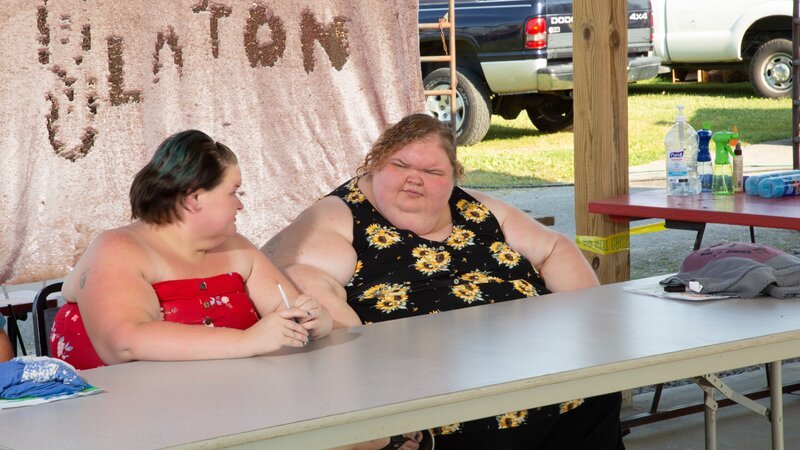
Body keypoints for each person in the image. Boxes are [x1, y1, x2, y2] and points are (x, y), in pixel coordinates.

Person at [265, 114, 624, 449]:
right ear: (374, 165)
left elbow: (553, 249)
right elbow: (303, 278)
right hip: (431, 383)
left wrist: (587, 333)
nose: (414, 178)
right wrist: (371, 397)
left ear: (454, 175)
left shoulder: (480, 210)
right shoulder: (341, 216)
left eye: (433, 171)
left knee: (596, 390)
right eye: (400, 165)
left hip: (531, 358)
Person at [49, 130, 332, 370]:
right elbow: (123, 341)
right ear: (194, 198)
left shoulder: (237, 248)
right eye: (233, 192)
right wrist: (247, 342)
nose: (240, 204)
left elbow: (287, 312)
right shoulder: (118, 249)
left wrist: (314, 322)